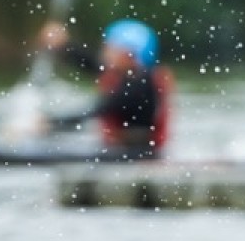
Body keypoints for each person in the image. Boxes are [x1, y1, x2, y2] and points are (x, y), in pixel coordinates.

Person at [52, 19, 173, 159]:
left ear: (130, 55)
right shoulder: (126, 75)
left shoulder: (140, 86)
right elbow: (89, 63)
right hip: (125, 149)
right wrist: (63, 45)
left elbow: (97, 110)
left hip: (139, 154)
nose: (105, 52)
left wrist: (49, 124)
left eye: (110, 48)